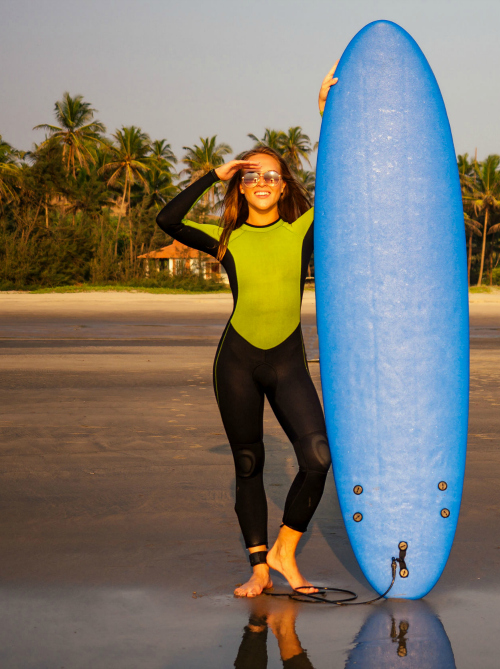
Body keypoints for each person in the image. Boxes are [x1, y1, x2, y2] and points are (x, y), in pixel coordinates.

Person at [156, 65, 339, 598]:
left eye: (272, 176)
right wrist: (214, 175)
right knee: (249, 463)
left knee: (318, 457)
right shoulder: (225, 237)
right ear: (241, 184)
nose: (261, 183)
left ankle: (286, 550)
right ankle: (260, 566)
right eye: (252, 175)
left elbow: (337, 182)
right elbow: (168, 220)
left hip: (287, 360)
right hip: (236, 362)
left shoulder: (302, 229)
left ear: (285, 188)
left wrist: (324, 115)